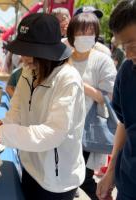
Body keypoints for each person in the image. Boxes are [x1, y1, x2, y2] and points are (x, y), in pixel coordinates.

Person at [0, 13, 86, 200]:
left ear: (48, 53)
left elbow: (53, 133)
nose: (24, 59)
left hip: (56, 179)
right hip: (30, 165)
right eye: (23, 51)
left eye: (30, 53)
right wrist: (5, 124)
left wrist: (9, 134)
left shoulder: (67, 79)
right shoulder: (29, 71)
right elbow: (17, 108)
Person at [67, 13, 117, 200]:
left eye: (90, 31)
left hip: (86, 130)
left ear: (96, 35)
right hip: (63, 126)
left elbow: (108, 97)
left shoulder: (102, 60)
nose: (85, 35)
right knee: (66, 173)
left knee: (82, 176)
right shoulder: (64, 57)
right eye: (81, 31)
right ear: (72, 34)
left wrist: (78, 82)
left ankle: (99, 196)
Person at [97, 1, 136, 199]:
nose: (128, 55)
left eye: (133, 46)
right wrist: (111, 171)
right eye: (123, 47)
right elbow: (125, 123)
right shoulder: (127, 73)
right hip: (129, 184)